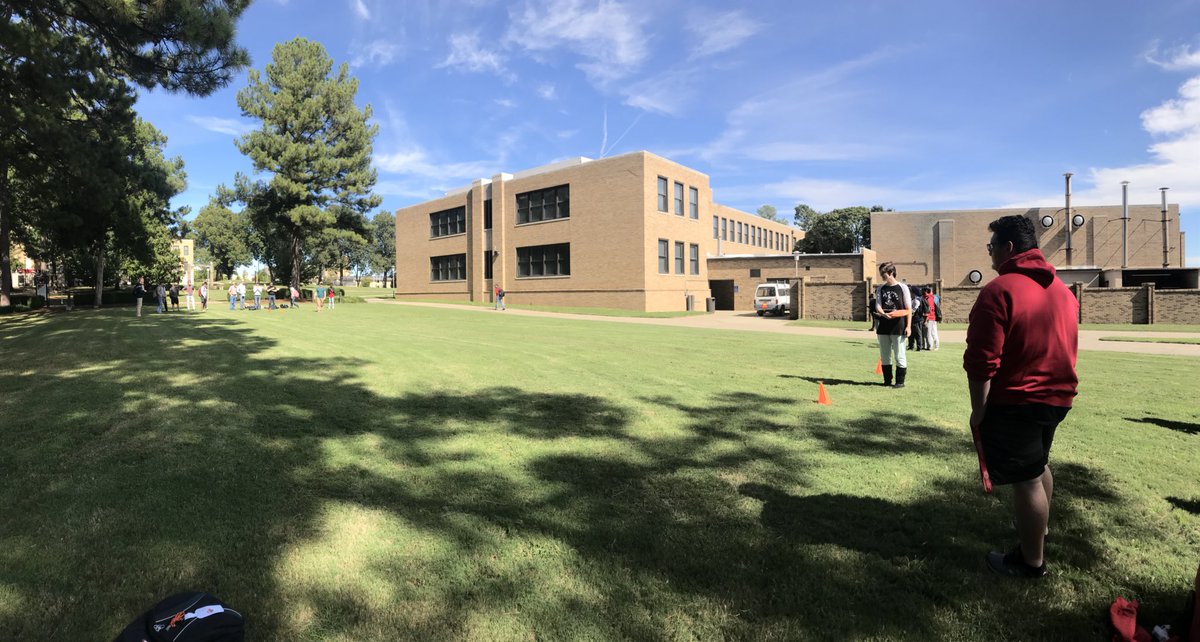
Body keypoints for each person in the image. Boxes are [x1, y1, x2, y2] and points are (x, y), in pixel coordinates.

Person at [965, 215, 1078, 579]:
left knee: (1027, 478)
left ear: (1008, 248)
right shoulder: (1061, 290)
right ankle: (1038, 533)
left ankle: (1031, 561)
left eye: (991, 248)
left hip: (1020, 398)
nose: (990, 257)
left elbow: (981, 362)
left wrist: (979, 411)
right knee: (1039, 464)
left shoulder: (999, 290)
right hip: (1058, 397)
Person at [873, 262, 911, 387]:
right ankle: (887, 381)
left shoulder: (902, 287)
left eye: (883, 274)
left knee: (899, 354)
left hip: (898, 326)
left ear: (890, 273)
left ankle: (900, 382)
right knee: (885, 355)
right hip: (883, 325)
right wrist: (883, 314)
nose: (882, 277)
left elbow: (908, 308)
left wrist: (908, 326)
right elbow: (878, 305)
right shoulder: (880, 288)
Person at [923, 287, 940, 351]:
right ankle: (935, 346)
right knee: (933, 332)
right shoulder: (933, 297)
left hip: (930, 318)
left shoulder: (929, 298)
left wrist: (926, 317)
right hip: (933, 317)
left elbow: (929, 309)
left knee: (930, 333)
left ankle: (931, 346)